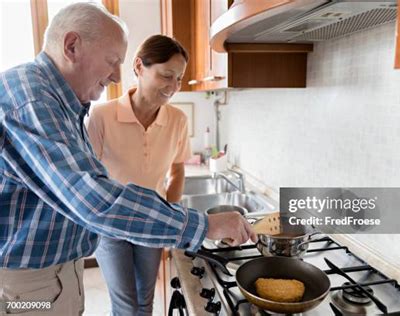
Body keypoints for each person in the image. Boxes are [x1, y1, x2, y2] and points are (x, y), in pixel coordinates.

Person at [0, 3, 256, 316]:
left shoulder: (61, 103)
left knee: (140, 302)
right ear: (71, 46)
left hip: (53, 274)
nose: (117, 76)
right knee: (124, 304)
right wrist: (203, 225)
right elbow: (94, 199)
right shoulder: (32, 100)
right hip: (28, 288)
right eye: (113, 61)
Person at [85, 35, 192, 315]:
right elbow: (88, 175)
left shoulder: (178, 120)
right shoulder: (101, 116)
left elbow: (177, 169)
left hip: (152, 222)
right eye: (166, 75)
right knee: (124, 304)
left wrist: (169, 217)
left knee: (144, 301)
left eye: (179, 78)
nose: (173, 86)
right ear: (139, 67)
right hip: (110, 223)